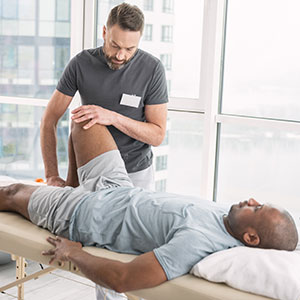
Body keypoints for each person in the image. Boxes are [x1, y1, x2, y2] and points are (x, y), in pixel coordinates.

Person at [0, 121, 298, 294]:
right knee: (85, 122)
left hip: (81, 213)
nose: (251, 201)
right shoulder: (228, 215)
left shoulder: (199, 243)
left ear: (251, 239)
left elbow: (123, 279)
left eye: (257, 210)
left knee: (12, 192)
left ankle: (63, 196)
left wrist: (75, 253)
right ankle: (70, 185)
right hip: (118, 187)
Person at [40, 2, 168, 191]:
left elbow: (157, 136)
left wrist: (112, 117)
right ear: (104, 33)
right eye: (114, 45)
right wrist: (51, 175)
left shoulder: (152, 69)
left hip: (137, 173)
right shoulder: (81, 64)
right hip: (93, 170)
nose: (120, 55)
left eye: (130, 49)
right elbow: (48, 120)